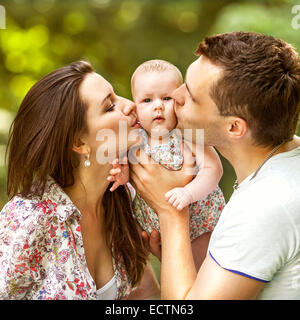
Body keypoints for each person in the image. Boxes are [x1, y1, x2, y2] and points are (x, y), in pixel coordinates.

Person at [130, 31, 300, 299]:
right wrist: (180, 257)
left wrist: (171, 215)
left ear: (233, 127)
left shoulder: (264, 207)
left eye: (191, 95)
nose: (175, 95)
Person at [0, 61, 159, 300]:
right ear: (80, 143)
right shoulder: (28, 219)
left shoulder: (124, 196)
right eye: (109, 107)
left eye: (116, 95)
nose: (130, 105)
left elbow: (146, 296)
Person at [108, 59, 225, 268]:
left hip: (198, 223)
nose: (158, 106)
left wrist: (188, 193)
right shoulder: (135, 137)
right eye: (147, 100)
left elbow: (214, 169)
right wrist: (122, 175)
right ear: (135, 105)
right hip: (157, 229)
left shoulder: (187, 133)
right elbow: (131, 178)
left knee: (201, 270)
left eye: (166, 98)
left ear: (179, 100)